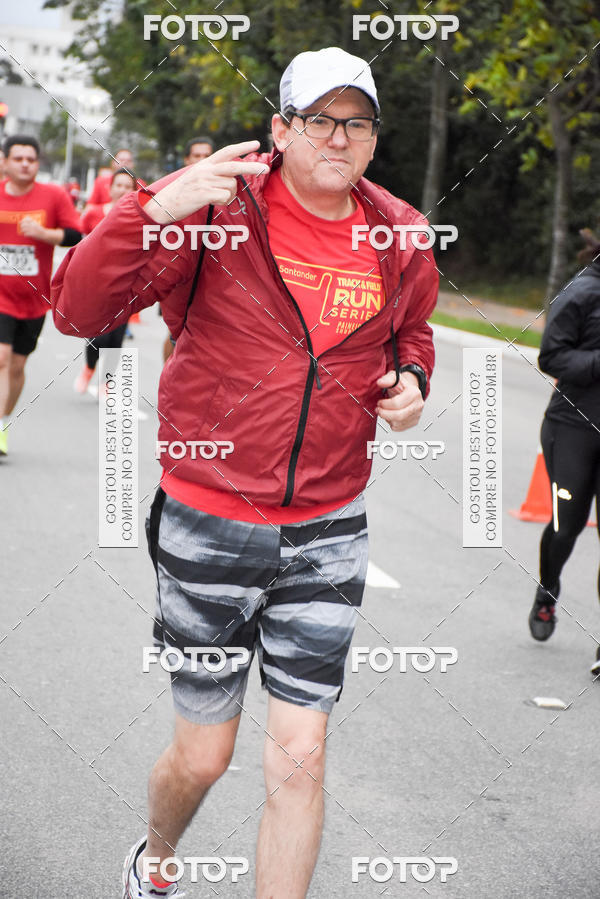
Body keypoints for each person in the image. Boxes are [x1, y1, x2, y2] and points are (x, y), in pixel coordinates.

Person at [52, 47, 438, 899]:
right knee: (207, 753)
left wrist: (413, 379)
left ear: (375, 136)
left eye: (358, 121)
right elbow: (77, 309)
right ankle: (157, 856)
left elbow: (412, 332)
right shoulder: (217, 210)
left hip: (330, 530)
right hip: (207, 517)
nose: (339, 137)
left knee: (300, 760)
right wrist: (150, 207)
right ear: (281, 127)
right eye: (319, 119)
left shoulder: (400, 232)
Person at [528, 229, 600, 672]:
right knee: (566, 525)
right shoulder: (582, 292)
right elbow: (552, 358)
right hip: (572, 427)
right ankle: (547, 589)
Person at [0, 134, 82, 457]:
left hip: (34, 300)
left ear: (37, 163)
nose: (24, 164)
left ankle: (3, 422)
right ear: (4, 162)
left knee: (17, 367)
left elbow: (75, 234)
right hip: (0, 296)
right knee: (2, 359)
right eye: (17, 158)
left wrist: (44, 233)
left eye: (30, 159)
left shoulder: (53, 197)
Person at [73, 168, 138, 394]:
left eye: (128, 186)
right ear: (109, 189)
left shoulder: (139, 216)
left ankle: (106, 381)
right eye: (118, 185)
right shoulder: (93, 214)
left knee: (116, 338)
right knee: (99, 336)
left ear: (134, 190)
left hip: (126, 285)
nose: (122, 190)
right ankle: (90, 368)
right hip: (96, 285)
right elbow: (80, 248)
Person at [161, 137, 216, 363]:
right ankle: (169, 375)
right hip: (177, 273)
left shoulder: (224, 190)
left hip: (212, 273)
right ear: (187, 159)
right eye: (197, 155)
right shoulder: (171, 190)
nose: (202, 160)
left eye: (207, 155)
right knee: (176, 333)